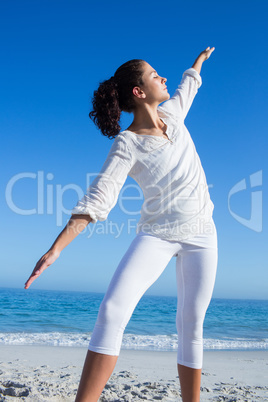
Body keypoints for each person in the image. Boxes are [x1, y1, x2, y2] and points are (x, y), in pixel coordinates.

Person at [25, 46, 217, 402]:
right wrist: (56, 248)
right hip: (157, 235)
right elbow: (98, 198)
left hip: (203, 233)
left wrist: (198, 63)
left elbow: (188, 86)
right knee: (112, 310)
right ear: (139, 92)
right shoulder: (126, 144)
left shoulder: (174, 114)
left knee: (191, 324)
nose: (163, 77)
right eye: (154, 74)